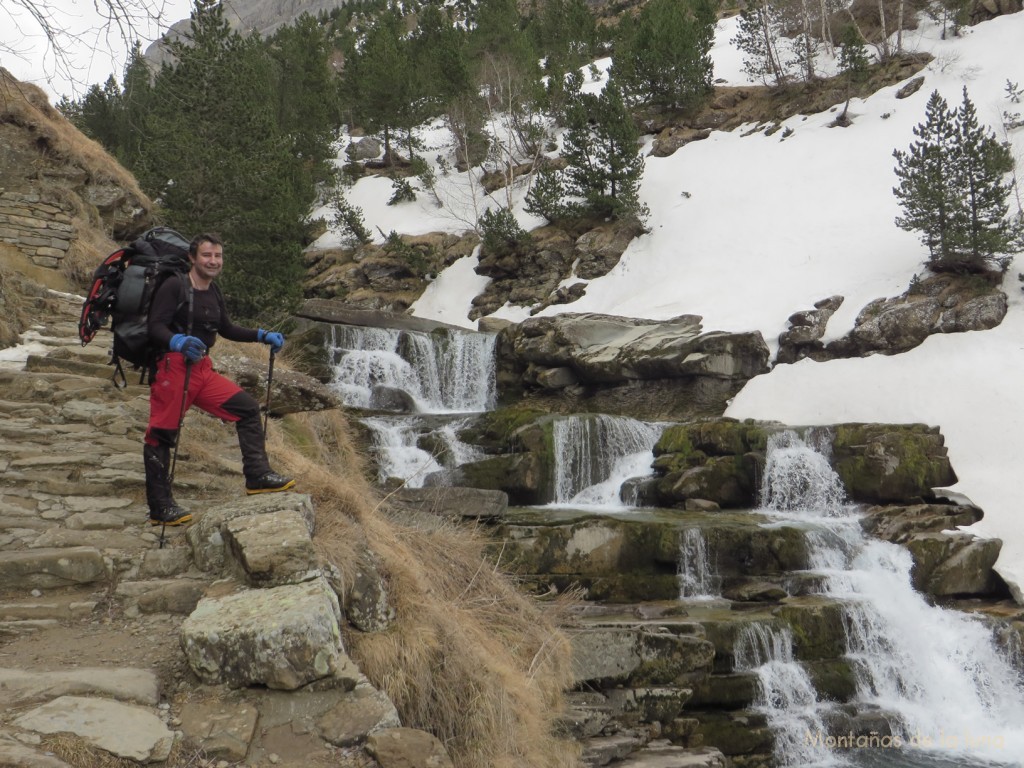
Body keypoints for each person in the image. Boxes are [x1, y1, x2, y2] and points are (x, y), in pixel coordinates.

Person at [143, 232, 295, 526]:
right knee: (161, 433)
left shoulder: (213, 291)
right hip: (173, 368)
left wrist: (261, 336)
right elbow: (155, 326)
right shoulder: (175, 285)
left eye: (218, 256)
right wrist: (176, 341)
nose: (213, 261)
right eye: (207, 255)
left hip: (201, 369)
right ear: (192, 258)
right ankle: (160, 507)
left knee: (247, 409)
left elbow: (226, 328)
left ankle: (257, 476)